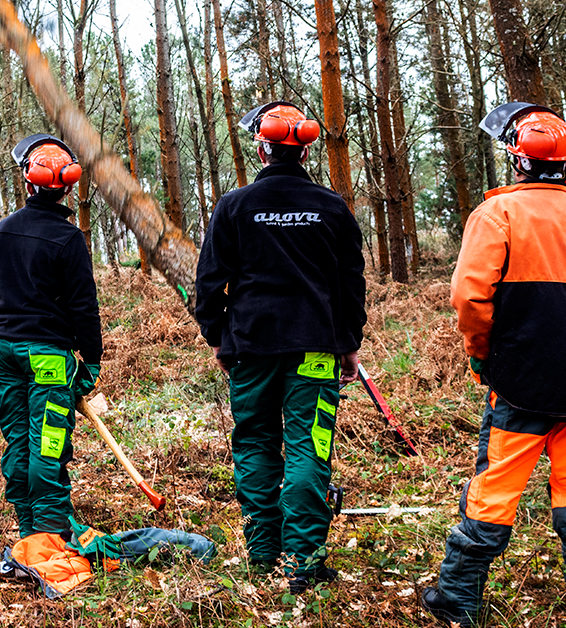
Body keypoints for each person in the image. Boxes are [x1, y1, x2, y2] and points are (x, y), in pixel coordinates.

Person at [423, 103, 566, 627]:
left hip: (519, 384)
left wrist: (482, 356)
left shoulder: (497, 215)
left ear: (517, 162)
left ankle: (459, 598)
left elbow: (470, 300)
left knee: (494, 488)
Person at [194, 101, 366, 593]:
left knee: (255, 444)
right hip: (314, 347)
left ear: (262, 149)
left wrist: (221, 339)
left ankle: (263, 554)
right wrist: (348, 343)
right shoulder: (333, 208)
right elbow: (350, 286)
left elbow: (209, 285)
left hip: (250, 348)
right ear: (307, 150)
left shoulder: (234, 206)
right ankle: (303, 565)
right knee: (309, 448)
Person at [0, 134, 102, 540]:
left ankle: (28, 528)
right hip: (48, 354)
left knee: (17, 438)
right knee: (48, 442)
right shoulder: (68, 239)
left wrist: (4, 337)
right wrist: (93, 358)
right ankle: (50, 533)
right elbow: (84, 306)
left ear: (27, 182)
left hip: (6, 351)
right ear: (67, 186)